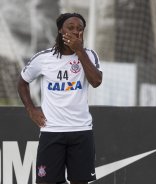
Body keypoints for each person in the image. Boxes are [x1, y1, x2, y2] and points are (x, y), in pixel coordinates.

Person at [17, 12, 102, 184]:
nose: (75, 32)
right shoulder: (44, 58)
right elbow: (22, 83)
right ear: (60, 31)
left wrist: (79, 51)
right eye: (70, 28)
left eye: (80, 29)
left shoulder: (89, 55)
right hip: (52, 131)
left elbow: (96, 81)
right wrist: (31, 109)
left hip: (81, 131)